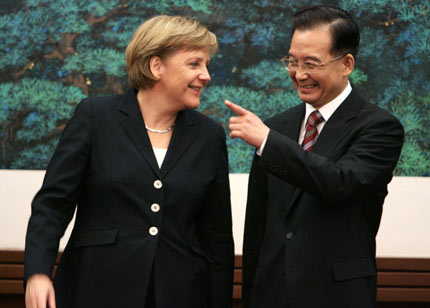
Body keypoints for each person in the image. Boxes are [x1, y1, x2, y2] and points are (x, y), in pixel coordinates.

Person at [24, 15, 234, 308]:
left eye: (206, 65)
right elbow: (52, 205)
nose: (206, 75)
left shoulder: (209, 136)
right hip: (96, 288)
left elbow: (217, 240)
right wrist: (37, 272)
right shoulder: (95, 117)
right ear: (156, 66)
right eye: (194, 64)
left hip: (180, 292)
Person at [226, 6, 404, 308]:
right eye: (292, 62)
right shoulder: (276, 126)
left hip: (337, 295)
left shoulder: (379, 126)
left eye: (311, 63)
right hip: (271, 294)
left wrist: (268, 142)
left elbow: (340, 182)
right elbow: (258, 223)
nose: (299, 74)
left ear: (346, 63)